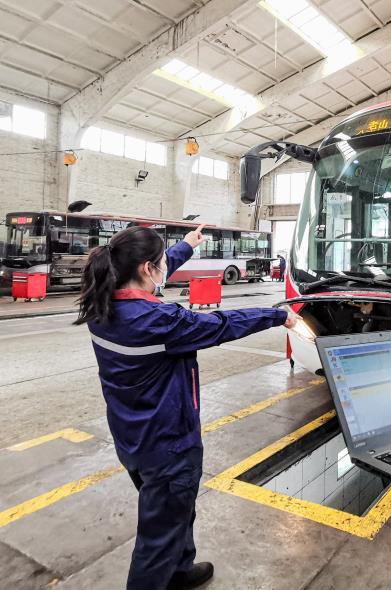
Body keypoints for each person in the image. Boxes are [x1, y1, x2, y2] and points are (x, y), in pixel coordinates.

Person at [75, 225, 297, 590]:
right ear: (147, 269)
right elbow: (221, 324)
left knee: (176, 512)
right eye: (162, 262)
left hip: (132, 438)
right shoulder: (158, 322)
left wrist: (186, 246)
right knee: (158, 538)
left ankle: (179, 571)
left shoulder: (103, 304)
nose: (166, 266)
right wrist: (277, 316)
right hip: (169, 445)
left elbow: (154, 272)